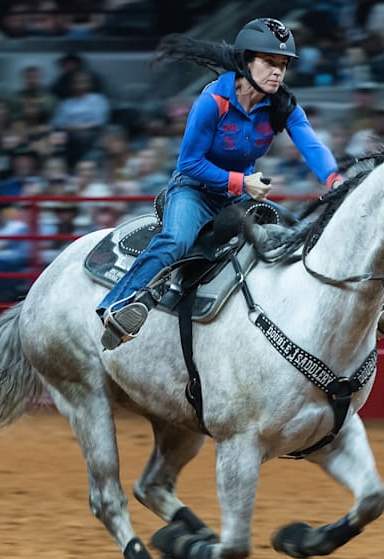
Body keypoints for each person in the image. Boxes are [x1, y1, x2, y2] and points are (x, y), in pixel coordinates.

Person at [97, 18, 347, 349]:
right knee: (176, 241)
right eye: (269, 62)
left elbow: (312, 146)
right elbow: (189, 164)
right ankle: (117, 305)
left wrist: (335, 179)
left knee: (292, 235)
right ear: (246, 62)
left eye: (283, 65)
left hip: (235, 198)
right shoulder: (213, 101)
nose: (278, 72)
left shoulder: (283, 105)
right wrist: (241, 182)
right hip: (193, 191)